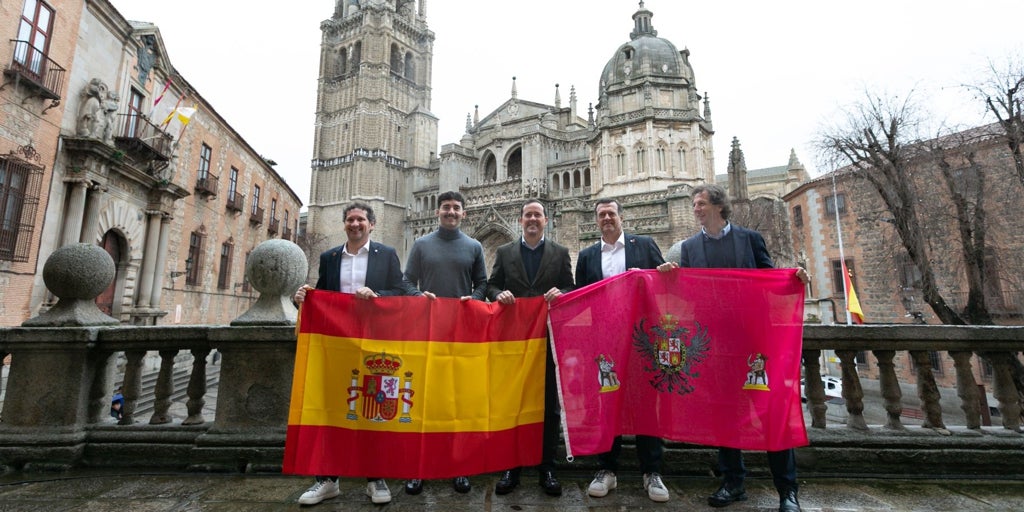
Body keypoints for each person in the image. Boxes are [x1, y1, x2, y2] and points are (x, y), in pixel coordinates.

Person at [657, 183, 809, 512]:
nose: (695, 209)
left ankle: (787, 490)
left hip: (754, 343)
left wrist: (792, 278)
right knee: (723, 415)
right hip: (714, 344)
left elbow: (770, 280)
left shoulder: (749, 240)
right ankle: (733, 482)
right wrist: (669, 279)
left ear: (718, 206)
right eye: (694, 204)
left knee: (772, 415)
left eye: (700, 203)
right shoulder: (689, 249)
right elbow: (687, 296)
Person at [293, 202, 407, 506]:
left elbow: (399, 293)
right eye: (350, 220)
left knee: (375, 409)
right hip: (338, 345)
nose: (355, 224)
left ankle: (375, 477)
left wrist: (379, 296)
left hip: (374, 344)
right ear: (345, 224)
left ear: (372, 224)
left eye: (361, 220)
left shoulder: (387, 255)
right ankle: (328, 480)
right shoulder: (329, 258)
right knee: (332, 409)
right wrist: (303, 298)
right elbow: (320, 295)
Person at [575, 198, 670, 503]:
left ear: (621, 216)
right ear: (596, 220)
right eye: (601, 214)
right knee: (606, 402)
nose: (606, 218)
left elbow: (664, 287)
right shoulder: (588, 255)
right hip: (605, 340)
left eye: (611, 213)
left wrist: (664, 274)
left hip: (643, 338)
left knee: (646, 402)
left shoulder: (644, 245)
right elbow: (581, 298)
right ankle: (606, 469)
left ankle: (652, 472)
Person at [485, 199, 574, 497]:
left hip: (548, 340)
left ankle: (547, 466)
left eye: (537, 215)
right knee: (513, 403)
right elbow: (491, 286)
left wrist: (561, 292)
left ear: (545, 220)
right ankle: (512, 465)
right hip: (514, 341)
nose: (532, 219)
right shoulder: (505, 252)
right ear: (520, 219)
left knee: (549, 405)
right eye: (527, 215)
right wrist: (501, 294)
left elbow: (571, 287)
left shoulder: (560, 253)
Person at [401, 190, 488, 495]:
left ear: (464, 213)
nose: (451, 212)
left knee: (458, 400)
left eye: (456, 208)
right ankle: (418, 468)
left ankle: (459, 468)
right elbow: (407, 281)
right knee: (424, 399)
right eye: (446, 207)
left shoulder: (474, 246)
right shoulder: (422, 244)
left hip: (462, 333)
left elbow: (483, 284)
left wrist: (473, 300)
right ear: (438, 212)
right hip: (428, 330)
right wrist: (418, 298)